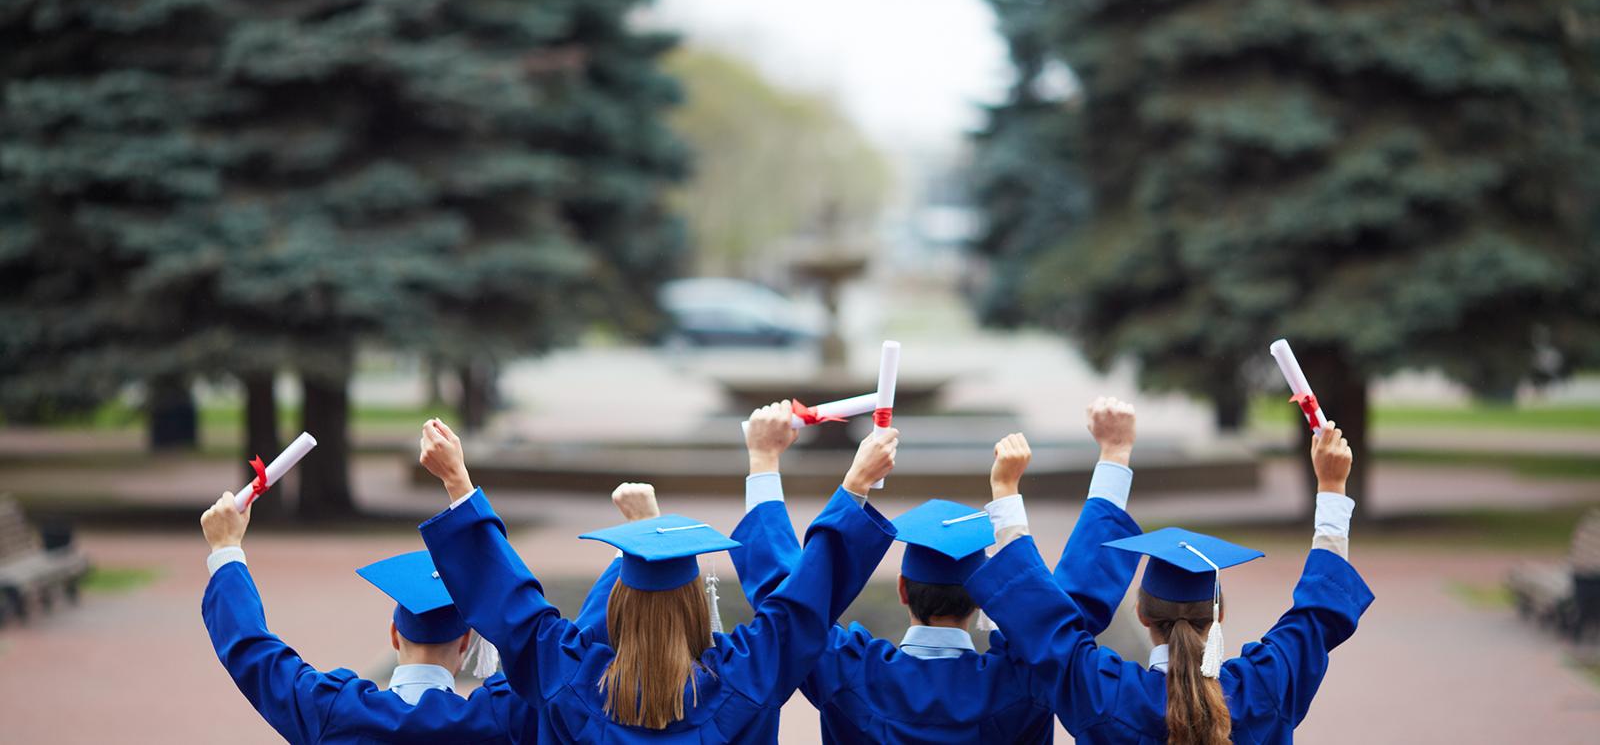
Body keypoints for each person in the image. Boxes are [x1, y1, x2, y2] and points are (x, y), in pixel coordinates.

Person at [413, 417, 900, 743]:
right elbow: (799, 604)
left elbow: (511, 604)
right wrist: (853, 486)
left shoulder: (569, 677)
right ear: (695, 605)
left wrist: (458, 482)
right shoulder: (745, 678)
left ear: (617, 606)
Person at [727, 397, 1146, 744]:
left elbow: (788, 611)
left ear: (902, 589)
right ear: (983, 595)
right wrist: (1114, 454)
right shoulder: (1023, 678)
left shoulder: (848, 672)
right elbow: (1064, 616)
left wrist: (765, 460)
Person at [964, 423, 1374, 744]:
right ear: (1219, 615)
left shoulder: (1107, 692)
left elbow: (1043, 623)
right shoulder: (1263, 688)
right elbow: (1319, 614)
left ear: (1142, 613)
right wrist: (1332, 487)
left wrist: (1005, 491)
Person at [200, 484, 612, 744]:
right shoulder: (508, 717)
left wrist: (226, 551)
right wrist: (624, 560)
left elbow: (252, 653)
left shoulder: (335, 713)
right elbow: (570, 657)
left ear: (394, 634)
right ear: (467, 643)